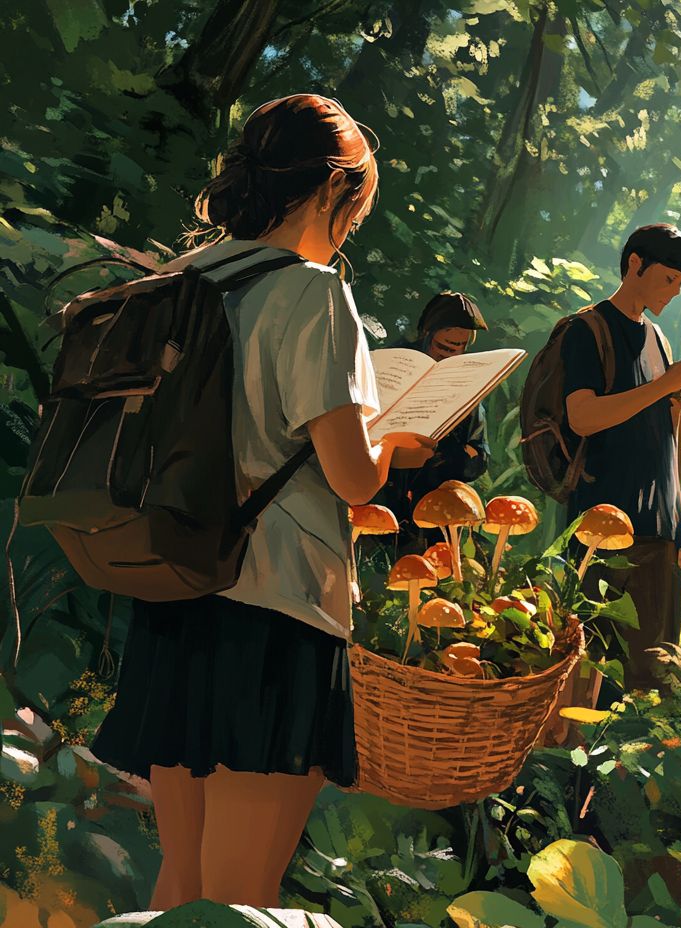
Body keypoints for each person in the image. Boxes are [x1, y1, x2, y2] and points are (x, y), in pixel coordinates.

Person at [90, 94, 435, 909]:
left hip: (175, 592)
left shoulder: (176, 279)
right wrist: (398, 442)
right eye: (358, 204)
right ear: (330, 194)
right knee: (243, 897)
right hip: (277, 607)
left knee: (181, 886)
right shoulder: (313, 295)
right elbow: (353, 479)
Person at [561, 223, 681, 691]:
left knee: (656, 666)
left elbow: (661, 422)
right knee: (596, 665)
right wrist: (665, 386)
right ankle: (579, 762)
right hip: (604, 522)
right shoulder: (586, 329)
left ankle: (639, 761)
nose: (674, 292)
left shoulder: (658, 339)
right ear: (635, 264)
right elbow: (583, 416)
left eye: (680, 283)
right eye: (668, 278)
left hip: (663, 525)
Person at [378, 291, 490, 555]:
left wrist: (447, 456)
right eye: (443, 347)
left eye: (459, 348)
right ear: (427, 334)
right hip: (386, 505)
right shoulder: (394, 366)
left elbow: (479, 456)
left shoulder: (467, 386)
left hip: (438, 517)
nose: (449, 355)